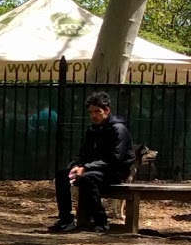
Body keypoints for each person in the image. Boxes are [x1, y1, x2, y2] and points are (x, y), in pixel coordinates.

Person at [49, 91, 133, 234]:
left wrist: (86, 168)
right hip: (94, 169)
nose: (93, 116)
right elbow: (84, 153)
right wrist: (76, 165)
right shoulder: (93, 129)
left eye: (97, 112)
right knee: (63, 175)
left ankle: (101, 222)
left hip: (115, 171)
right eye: (90, 112)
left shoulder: (119, 129)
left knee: (88, 178)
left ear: (107, 110)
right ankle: (66, 220)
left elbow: (115, 159)